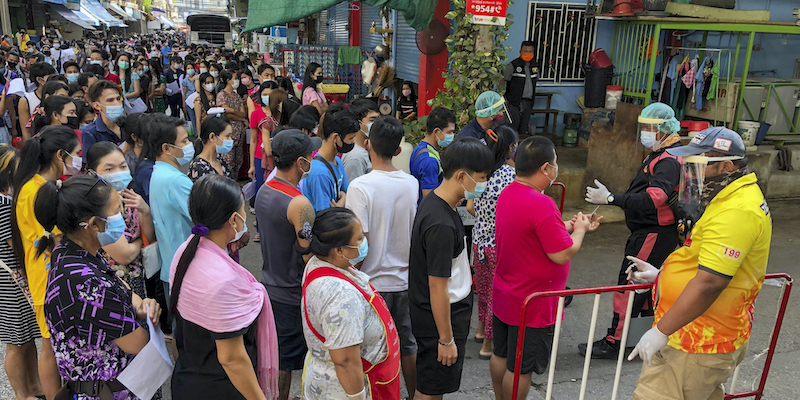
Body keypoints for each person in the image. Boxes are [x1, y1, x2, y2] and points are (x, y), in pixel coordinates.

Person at [627, 127, 771, 400]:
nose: (691, 173)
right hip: (696, 333)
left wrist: (660, 330)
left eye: (699, 164)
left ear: (726, 166)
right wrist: (662, 276)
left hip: (696, 340)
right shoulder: (728, 198)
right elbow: (707, 263)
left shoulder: (737, 210)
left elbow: (710, 283)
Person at [490, 136, 600, 400]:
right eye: (555, 163)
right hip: (532, 301)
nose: (555, 169)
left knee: (501, 355)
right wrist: (581, 231)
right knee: (520, 369)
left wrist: (568, 228)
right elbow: (563, 253)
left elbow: (534, 234)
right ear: (545, 168)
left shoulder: (509, 193)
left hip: (507, 291)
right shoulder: (541, 203)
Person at [34, 173, 161, 400]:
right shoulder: (87, 283)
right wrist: (144, 315)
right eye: (115, 213)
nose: (122, 216)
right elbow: (138, 342)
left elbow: (122, 290)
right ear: (92, 224)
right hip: (106, 392)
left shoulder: (71, 253)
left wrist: (140, 307)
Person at [579, 102, 683, 359]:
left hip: (653, 232)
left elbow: (653, 198)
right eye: (644, 127)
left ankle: (615, 341)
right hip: (653, 231)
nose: (646, 132)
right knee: (647, 286)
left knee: (629, 285)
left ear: (665, 128)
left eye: (651, 127)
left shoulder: (669, 160)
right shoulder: (662, 153)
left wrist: (612, 199)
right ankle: (641, 335)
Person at [169, 174, 279, 400]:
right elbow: (232, 359)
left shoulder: (185, 250)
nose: (246, 216)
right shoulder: (222, 280)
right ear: (233, 220)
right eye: (243, 209)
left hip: (189, 376)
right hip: (220, 389)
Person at [409, 138, 494, 400]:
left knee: (437, 385)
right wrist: (446, 340)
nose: (484, 184)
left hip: (440, 314)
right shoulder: (441, 224)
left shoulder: (438, 203)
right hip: (439, 320)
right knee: (431, 388)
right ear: (461, 175)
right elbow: (437, 286)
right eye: (481, 178)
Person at [345, 116, 420, 396]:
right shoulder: (410, 184)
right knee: (408, 343)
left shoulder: (360, 187)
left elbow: (358, 240)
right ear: (398, 151)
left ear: (367, 145)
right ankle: (413, 394)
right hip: (404, 281)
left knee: (370, 349)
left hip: (370, 283)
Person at [299, 207, 400, 400]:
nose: (364, 243)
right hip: (344, 390)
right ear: (339, 250)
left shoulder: (319, 263)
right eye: (359, 239)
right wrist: (357, 397)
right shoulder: (341, 295)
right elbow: (345, 360)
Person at [12, 125, 80, 399]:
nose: (79, 159)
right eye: (76, 154)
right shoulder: (34, 190)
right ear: (60, 155)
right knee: (50, 346)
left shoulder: (42, 186)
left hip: (53, 275)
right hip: (47, 277)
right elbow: (48, 236)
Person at [254, 129, 319, 399]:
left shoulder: (264, 189)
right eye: (309, 156)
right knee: (288, 361)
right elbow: (307, 252)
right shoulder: (299, 204)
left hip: (271, 284)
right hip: (292, 292)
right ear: (300, 162)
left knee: (277, 358)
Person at [466, 124, 518, 359]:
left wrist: (486, 220)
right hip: (499, 244)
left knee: (484, 290)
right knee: (497, 293)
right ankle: (489, 344)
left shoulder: (480, 173)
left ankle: (479, 331)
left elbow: (469, 206)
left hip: (479, 242)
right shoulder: (510, 176)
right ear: (511, 148)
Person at [0, 145, 45, 400]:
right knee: (16, 342)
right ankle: (21, 394)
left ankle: (35, 387)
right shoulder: (4, 206)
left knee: (27, 337)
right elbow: (15, 245)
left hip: (17, 278)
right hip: (9, 280)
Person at [148, 114, 194, 300]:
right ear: (166, 148)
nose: (189, 144)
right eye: (184, 141)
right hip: (187, 269)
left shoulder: (159, 172)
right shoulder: (175, 180)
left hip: (172, 265)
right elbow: (205, 216)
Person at [304, 109, 360, 212]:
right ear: (335, 138)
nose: (353, 142)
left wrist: (342, 200)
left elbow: (348, 193)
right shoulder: (319, 173)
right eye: (351, 138)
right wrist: (342, 198)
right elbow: (325, 215)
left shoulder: (337, 161)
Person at [410, 107, 456, 203]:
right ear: (437, 132)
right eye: (449, 132)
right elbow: (430, 200)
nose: (452, 135)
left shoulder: (420, 148)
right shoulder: (429, 161)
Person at [503, 41, 540, 137]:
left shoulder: (535, 66)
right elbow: (503, 80)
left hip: (528, 102)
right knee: (513, 128)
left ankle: (522, 150)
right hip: (514, 103)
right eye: (525, 51)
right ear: (520, 52)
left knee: (524, 129)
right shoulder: (513, 65)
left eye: (530, 51)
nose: (527, 54)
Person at [248, 81, 279, 187]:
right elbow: (253, 140)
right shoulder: (255, 114)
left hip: (279, 156)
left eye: (270, 94)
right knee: (262, 187)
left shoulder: (280, 113)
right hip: (260, 157)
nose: (267, 97)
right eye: (264, 94)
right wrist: (252, 165)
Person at [216, 70, 247, 177]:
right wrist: (238, 116)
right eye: (235, 78)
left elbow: (243, 113)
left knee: (238, 159)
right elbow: (226, 114)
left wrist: (232, 110)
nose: (237, 81)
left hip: (239, 132)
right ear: (228, 80)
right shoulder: (222, 95)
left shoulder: (237, 96)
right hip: (228, 132)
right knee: (228, 160)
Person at [82, 80, 124, 152]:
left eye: (118, 99)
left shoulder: (128, 124)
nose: (117, 103)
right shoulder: (90, 133)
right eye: (110, 100)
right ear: (97, 105)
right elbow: (91, 162)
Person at [342, 99, 379, 181]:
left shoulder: (368, 149)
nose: (376, 124)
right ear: (357, 122)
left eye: (377, 120)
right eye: (372, 120)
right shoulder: (355, 157)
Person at [18, 62, 57, 140]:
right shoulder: (26, 100)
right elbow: (26, 131)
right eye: (50, 77)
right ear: (39, 80)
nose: (54, 80)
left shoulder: (57, 96)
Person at [188, 116, 235, 180]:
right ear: (212, 137)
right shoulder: (198, 168)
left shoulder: (219, 160)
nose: (231, 140)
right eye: (227, 136)